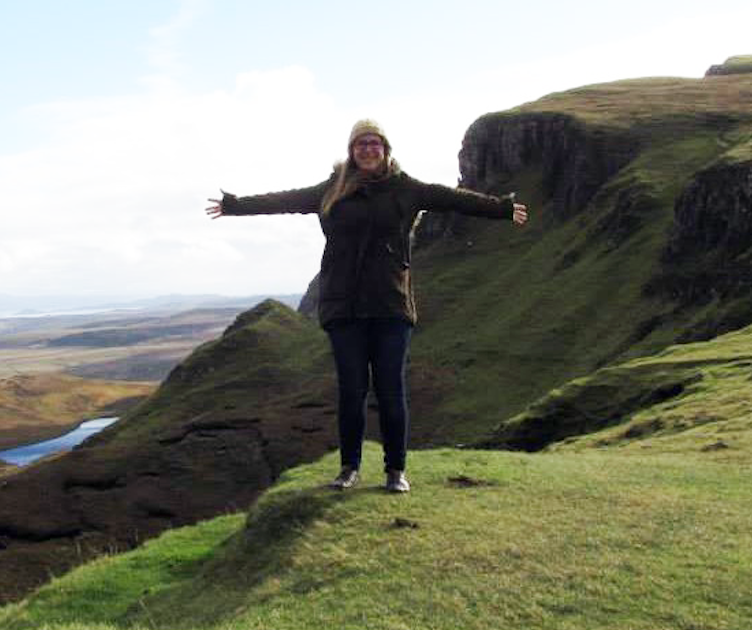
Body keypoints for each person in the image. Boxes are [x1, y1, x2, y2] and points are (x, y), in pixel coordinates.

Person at [206, 119, 529, 493]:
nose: (368, 149)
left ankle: (396, 471)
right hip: (343, 308)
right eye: (361, 143)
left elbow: (453, 198)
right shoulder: (331, 190)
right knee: (351, 390)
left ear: (386, 148)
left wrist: (501, 209)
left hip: (390, 306)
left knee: (391, 389)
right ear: (351, 150)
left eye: (374, 142)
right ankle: (349, 469)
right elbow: (283, 200)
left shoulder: (406, 189)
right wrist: (234, 206)